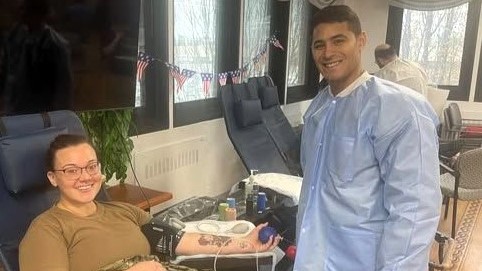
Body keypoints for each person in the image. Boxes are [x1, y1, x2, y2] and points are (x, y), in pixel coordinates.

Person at [295, 5, 441, 270]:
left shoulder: (400, 109)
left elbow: (415, 210)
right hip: (314, 258)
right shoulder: (318, 108)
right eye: (319, 45)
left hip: (363, 261)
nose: (328, 53)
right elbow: (314, 194)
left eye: (339, 40)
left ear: (361, 41)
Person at [19, 134, 280, 271]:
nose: (85, 177)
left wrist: (246, 244)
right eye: (71, 170)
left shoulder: (123, 211)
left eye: (90, 167)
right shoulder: (46, 231)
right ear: (53, 178)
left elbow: (177, 240)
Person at [0, 0, 72, 115]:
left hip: (39, 112)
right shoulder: (14, 36)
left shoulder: (55, 45)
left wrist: (60, 116)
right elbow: (6, 71)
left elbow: (63, 86)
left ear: (39, 14)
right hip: (13, 109)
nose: (21, 13)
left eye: (26, 10)